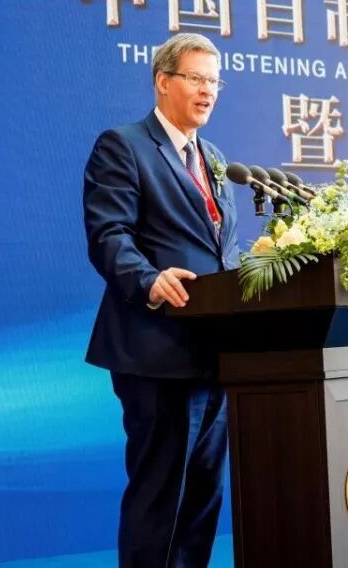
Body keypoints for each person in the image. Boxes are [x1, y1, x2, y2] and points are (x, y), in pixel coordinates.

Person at [83, 32, 239, 567]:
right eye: (196, 78)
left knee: (201, 500)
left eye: (214, 81)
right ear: (163, 81)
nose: (207, 91)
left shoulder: (213, 158)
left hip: (215, 354)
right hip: (157, 352)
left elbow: (218, 249)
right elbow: (109, 234)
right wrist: (148, 279)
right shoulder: (124, 145)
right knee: (160, 498)